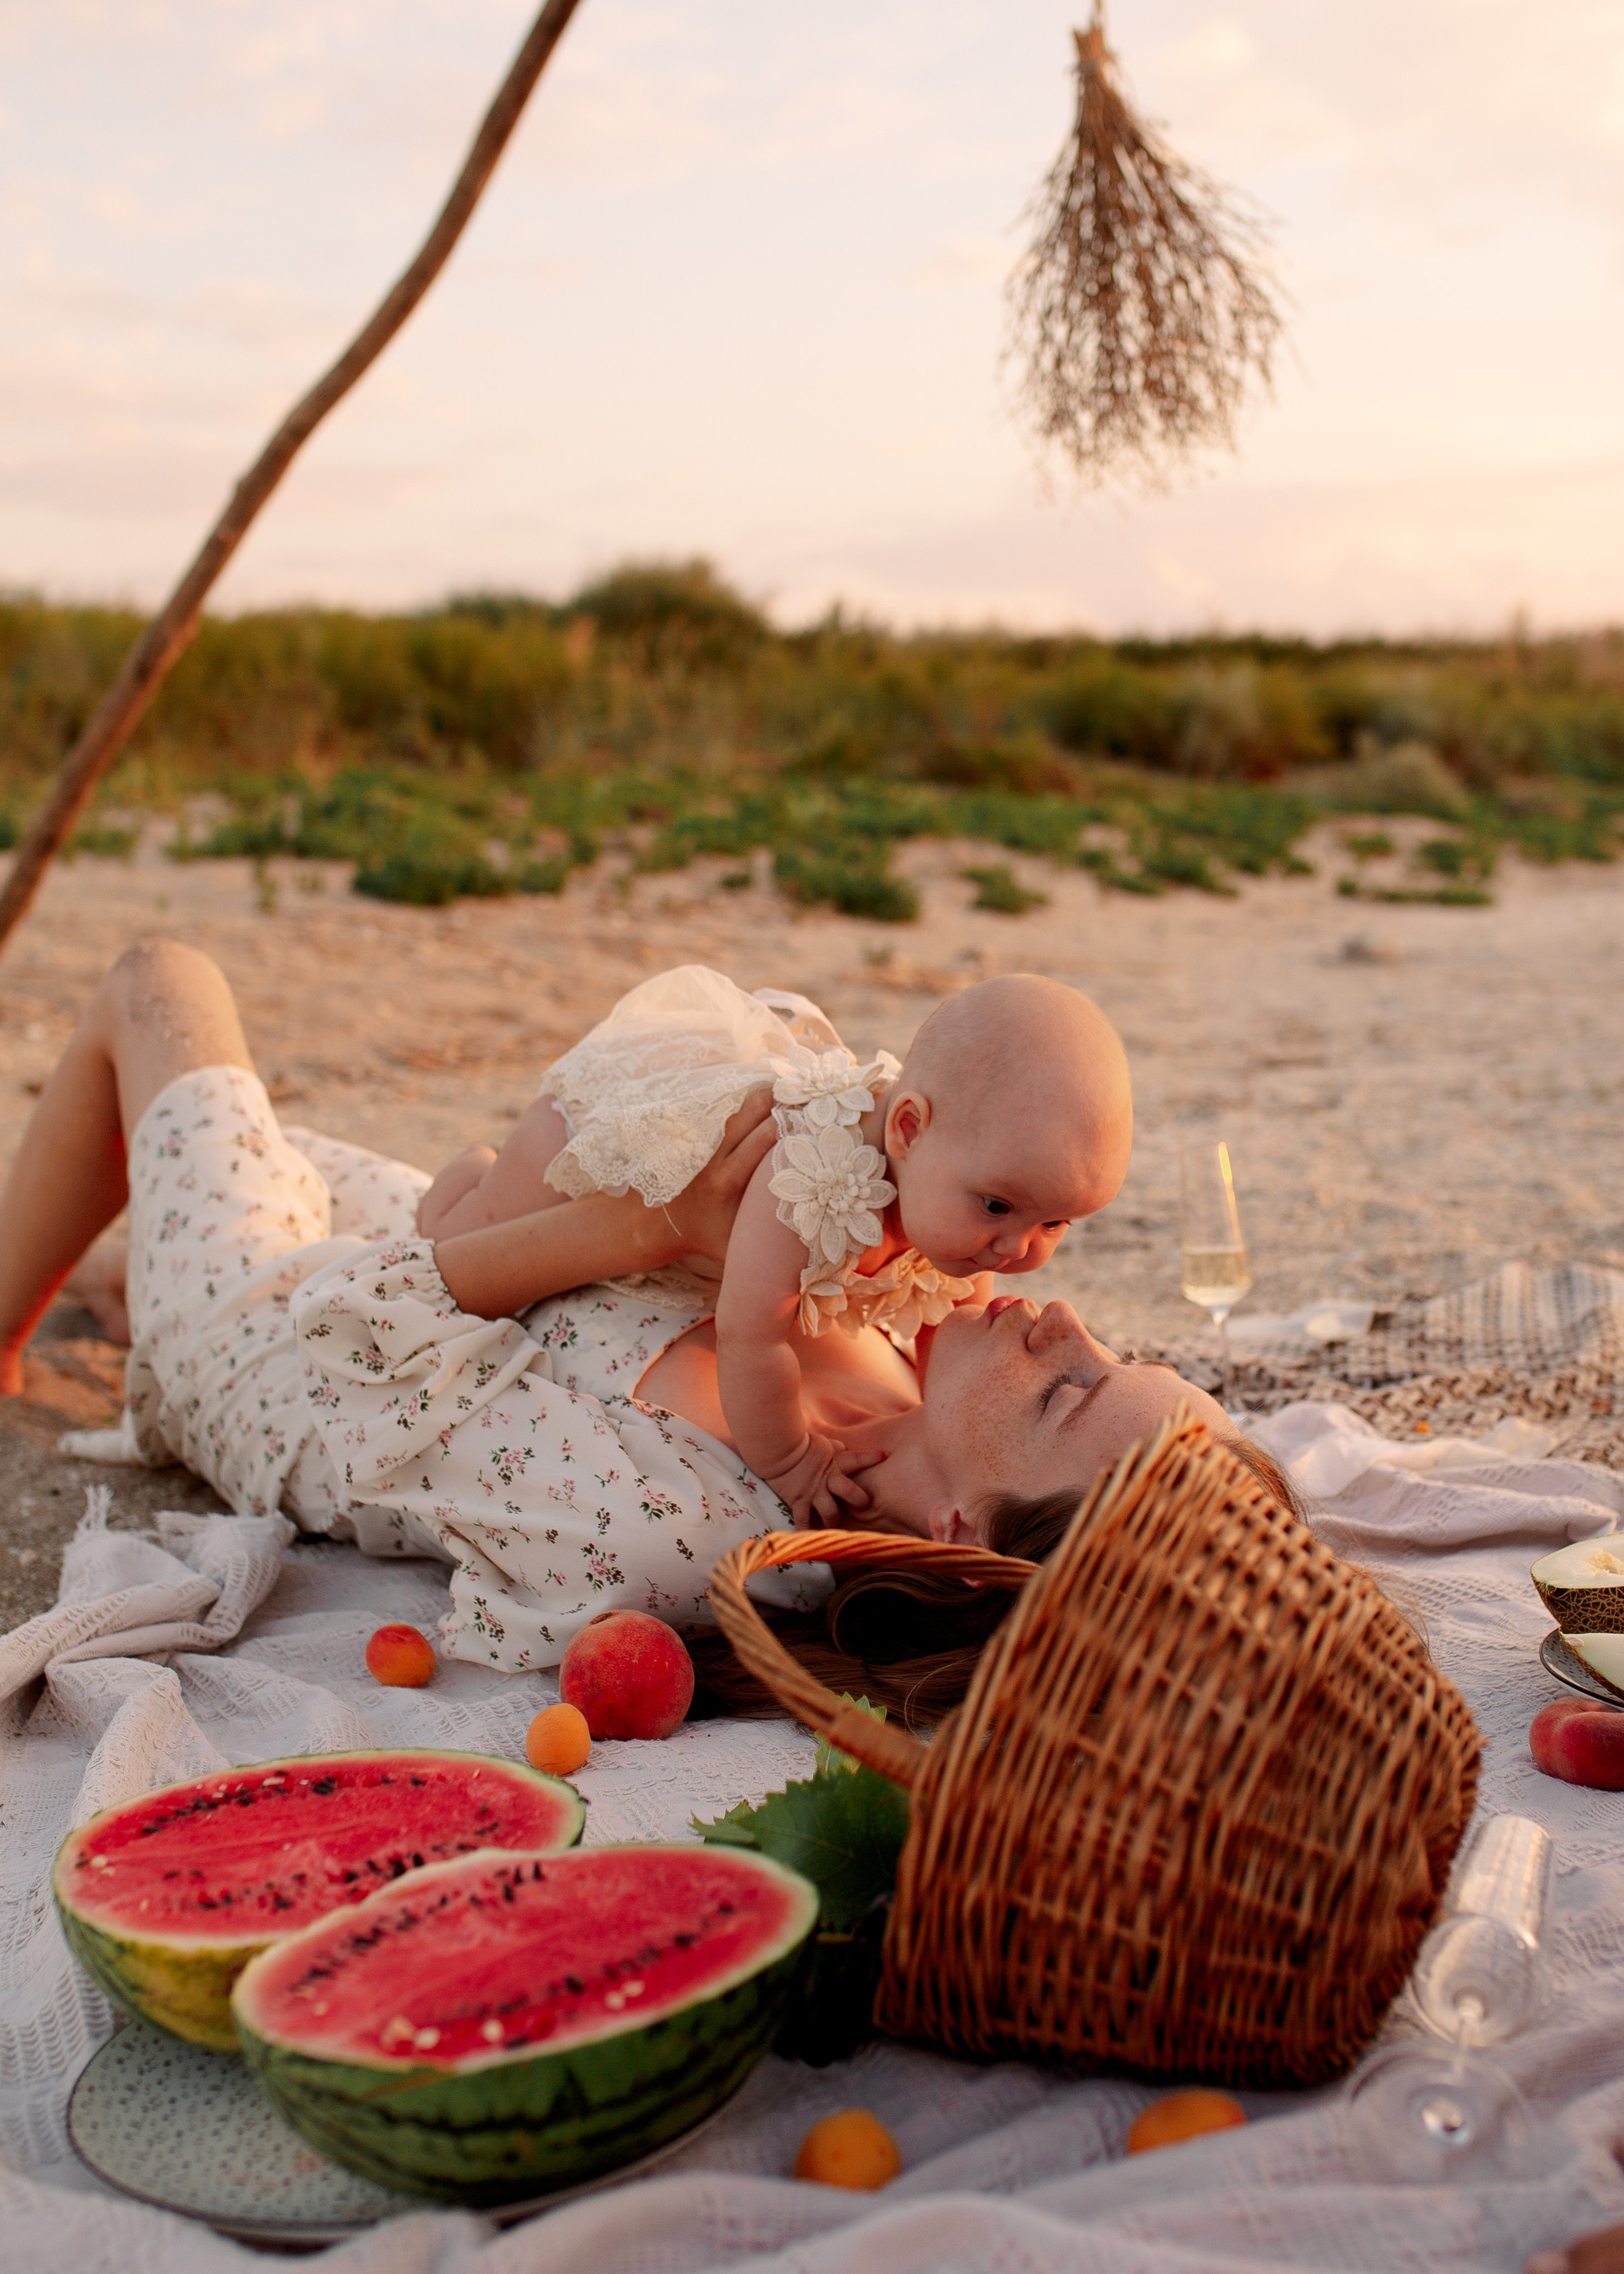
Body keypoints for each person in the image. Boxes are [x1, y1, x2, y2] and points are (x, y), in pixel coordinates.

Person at [0, 942, 1256, 1679]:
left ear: (962, 1525)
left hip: (296, 1349)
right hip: (466, 1258)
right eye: (1111, 1349)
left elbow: (359, 1323)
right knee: (209, 1176)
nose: (1059, 1319)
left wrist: (653, 1230)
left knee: (162, 987)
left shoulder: (677, 1525)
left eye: (1069, 1389)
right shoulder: (898, 1379)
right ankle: (124, 1274)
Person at [417, 963, 1134, 1524]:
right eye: (1000, 1206)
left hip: (713, 1233)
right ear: (908, 1131)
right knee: (465, 1234)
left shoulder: (961, 1195)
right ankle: (463, 1181)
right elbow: (752, 1332)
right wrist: (792, 1461)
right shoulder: (807, 1178)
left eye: (1054, 1224)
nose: (1016, 1249)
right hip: (612, 1140)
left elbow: (952, 1334)